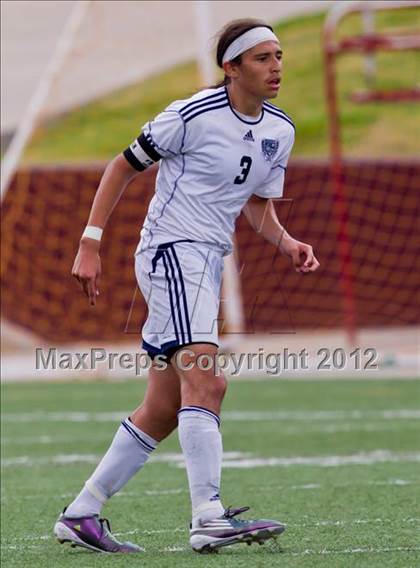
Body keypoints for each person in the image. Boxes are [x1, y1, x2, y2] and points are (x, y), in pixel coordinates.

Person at [54, 18, 320, 554]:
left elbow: (255, 203)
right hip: (172, 252)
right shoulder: (190, 115)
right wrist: (90, 241)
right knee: (209, 382)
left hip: (204, 260)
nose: (276, 68)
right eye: (263, 58)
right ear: (231, 68)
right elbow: (120, 167)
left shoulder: (280, 130)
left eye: (279, 56)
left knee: (163, 406)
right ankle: (209, 517)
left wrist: (286, 241)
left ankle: (82, 513)